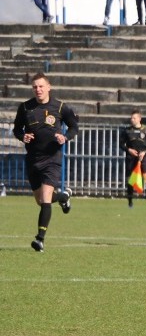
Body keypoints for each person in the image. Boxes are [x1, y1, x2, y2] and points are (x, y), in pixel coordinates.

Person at [12, 73, 77, 252]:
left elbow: (74, 126)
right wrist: (22, 136)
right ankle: (63, 197)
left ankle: (40, 239)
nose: (38, 90)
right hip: (33, 159)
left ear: (49, 87)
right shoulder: (25, 107)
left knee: (46, 197)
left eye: (41, 86)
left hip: (52, 159)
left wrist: (65, 137)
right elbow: (16, 129)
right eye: (35, 87)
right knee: (40, 201)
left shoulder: (60, 106)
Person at [120, 109, 146, 209]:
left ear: (139, 119)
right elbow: (121, 144)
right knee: (131, 180)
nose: (132, 120)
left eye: (134, 118)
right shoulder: (126, 130)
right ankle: (130, 202)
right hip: (131, 158)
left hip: (143, 157)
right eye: (131, 118)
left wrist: (144, 152)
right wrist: (129, 150)